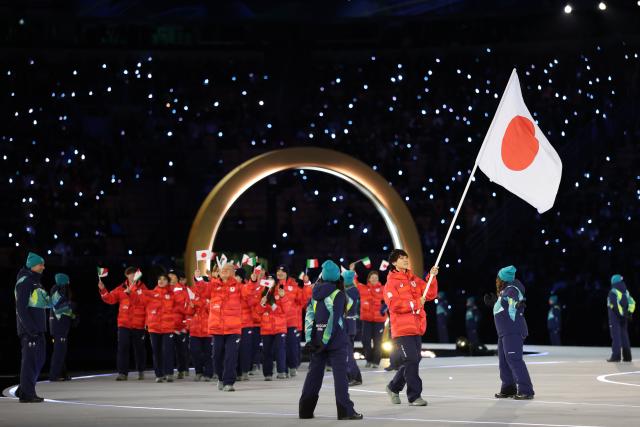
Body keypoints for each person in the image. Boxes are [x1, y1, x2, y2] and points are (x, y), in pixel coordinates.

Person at [299, 260, 363, 420]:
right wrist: (325, 340)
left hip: (316, 341)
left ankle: (305, 411)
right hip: (335, 341)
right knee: (340, 377)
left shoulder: (314, 293)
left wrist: (309, 340)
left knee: (313, 376)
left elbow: (309, 317)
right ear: (336, 277)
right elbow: (334, 320)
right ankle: (345, 411)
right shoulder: (339, 294)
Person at [383, 249, 438, 407]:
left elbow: (430, 294)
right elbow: (393, 305)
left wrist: (431, 277)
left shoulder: (413, 278)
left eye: (406, 257)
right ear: (394, 262)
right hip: (402, 329)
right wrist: (414, 304)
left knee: (413, 360)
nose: (406, 260)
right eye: (401, 258)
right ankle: (414, 396)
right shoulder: (390, 283)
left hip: (416, 326)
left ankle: (393, 387)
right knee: (412, 360)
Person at [484, 265, 534, 400]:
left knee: (514, 359)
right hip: (504, 332)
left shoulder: (512, 290)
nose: (496, 280)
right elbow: (505, 304)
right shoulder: (505, 291)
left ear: (503, 279)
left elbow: (513, 300)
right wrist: (495, 301)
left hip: (512, 330)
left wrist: (517, 304)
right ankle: (508, 388)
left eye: (498, 277)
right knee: (504, 361)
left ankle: (526, 390)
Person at [98, 267, 148, 380]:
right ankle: (122, 373)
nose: (131, 276)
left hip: (139, 324)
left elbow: (145, 302)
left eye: (134, 274)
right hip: (124, 323)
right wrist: (103, 289)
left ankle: (141, 370)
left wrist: (132, 293)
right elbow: (110, 299)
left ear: (137, 275)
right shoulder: (121, 287)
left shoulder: (143, 288)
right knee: (123, 347)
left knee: (139, 348)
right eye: (129, 274)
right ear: (126, 276)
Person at [14, 252, 48, 403]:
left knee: (38, 360)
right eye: (41, 264)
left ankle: (24, 389)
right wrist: (30, 330)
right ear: (32, 265)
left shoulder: (36, 282)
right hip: (30, 331)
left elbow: (42, 305)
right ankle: (27, 394)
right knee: (30, 361)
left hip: (38, 329)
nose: (43, 267)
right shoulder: (25, 282)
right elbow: (21, 309)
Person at [137, 273, 184, 382]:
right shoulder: (151, 293)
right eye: (159, 279)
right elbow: (140, 300)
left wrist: (179, 325)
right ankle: (159, 374)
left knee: (167, 350)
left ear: (168, 282)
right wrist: (135, 287)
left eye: (164, 279)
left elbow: (179, 310)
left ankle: (169, 373)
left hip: (168, 328)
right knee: (156, 351)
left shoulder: (173, 294)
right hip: (154, 328)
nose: (161, 281)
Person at [208, 263, 243, 391]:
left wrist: (255, 281)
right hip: (217, 328)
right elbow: (201, 292)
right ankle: (220, 378)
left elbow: (250, 296)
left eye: (228, 269)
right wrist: (200, 279)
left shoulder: (238, 287)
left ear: (233, 272)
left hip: (233, 329)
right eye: (223, 269)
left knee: (231, 356)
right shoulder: (213, 286)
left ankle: (229, 382)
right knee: (216, 356)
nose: (224, 271)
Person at [255, 275, 289, 380]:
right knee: (267, 351)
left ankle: (281, 371)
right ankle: (268, 373)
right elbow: (257, 312)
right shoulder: (262, 293)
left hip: (279, 327)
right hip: (266, 327)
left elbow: (286, 310)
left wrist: (283, 297)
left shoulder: (280, 291)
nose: (269, 281)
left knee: (280, 350)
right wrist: (262, 304)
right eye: (268, 280)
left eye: (271, 280)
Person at [49, 273, 76, 381]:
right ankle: (54, 375)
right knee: (59, 351)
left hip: (60, 325)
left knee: (61, 350)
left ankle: (62, 373)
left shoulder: (58, 289)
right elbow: (58, 307)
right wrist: (71, 307)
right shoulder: (58, 289)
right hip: (58, 325)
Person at [277, 266, 303, 378]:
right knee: (281, 347)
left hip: (291, 322)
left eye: (282, 271)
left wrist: (305, 286)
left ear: (287, 273)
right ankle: (283, 370)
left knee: (292, 346)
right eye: (278, 271)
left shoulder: (294, 285)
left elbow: (302, 300)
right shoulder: (273, 285)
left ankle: (292, 367)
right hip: (279, 321)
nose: (280, 273)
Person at [188, 270, 214, 381]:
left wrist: (202, 302)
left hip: (208, 329)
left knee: (208, 353)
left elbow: (211, 310)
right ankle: (198, 371)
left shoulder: (211, 295)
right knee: (195, 352)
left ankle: (208, 373)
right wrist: (191, 306)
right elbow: (189, 312)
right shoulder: (192, 294)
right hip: (195, 329)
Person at [357, 270, 385, 368]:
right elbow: (353, 281)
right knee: (365, 341)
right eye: (372, 277)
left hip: (379, 320)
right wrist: (351, 270)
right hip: (366, 319)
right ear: (369, 279)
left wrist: (384, 308)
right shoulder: (363, 288)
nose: (374, 279)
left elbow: (390, 299)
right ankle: (369, 360)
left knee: (378, 342)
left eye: (376, 278)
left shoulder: (383, 289)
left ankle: (376, 362)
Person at [238, 269, 262, 381]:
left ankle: (244, 371)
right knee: (235, 350)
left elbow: (251, 298)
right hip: (234, 324)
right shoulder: (229, 288)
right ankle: (236, 371)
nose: (235, 278)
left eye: (238, 276)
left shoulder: (245, 287)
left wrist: (253, 281)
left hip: (246, 323)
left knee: (245, 349)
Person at [606, 274, 635, 362]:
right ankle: (627, 357)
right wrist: (629, 313)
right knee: (624, 336)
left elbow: (615, 305)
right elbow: (632, 302)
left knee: (616, 336)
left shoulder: (613, 292)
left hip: (615, 316)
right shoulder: (626, 291)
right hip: (624, 317)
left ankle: (616, 356)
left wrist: (622, 314)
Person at [168, 270, 189, 379]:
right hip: (167, 325)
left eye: (172, 275)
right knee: (168, 350)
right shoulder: (165, 289)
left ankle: (182, 369)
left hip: (179, 325)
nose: (170, 277)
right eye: (169, 276)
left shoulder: (183, 289)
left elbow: (186, 308)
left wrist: (186, 324)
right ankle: (169, 371)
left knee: (181, 350)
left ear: (177, 278)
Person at [343, 269, 362, 386]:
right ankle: (356, 376)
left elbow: (347, 306)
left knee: (347, 353)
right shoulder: (352, 290)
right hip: (350, 325)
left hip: (348, 325)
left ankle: (354, 376)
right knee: (348, 351)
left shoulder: (351, 291)